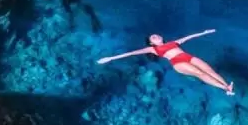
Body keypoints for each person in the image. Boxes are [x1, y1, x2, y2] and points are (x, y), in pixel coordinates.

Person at [97, 29, 234, 95]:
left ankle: (227, 87)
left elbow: (188, 37)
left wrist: (205, 32)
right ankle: (224, 89)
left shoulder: (173, 42)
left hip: (187, 56)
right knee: (200, 73)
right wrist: (110, 58)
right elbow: (132, 53)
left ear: (161, 37)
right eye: (152, 37)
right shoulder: (153, 49)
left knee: (210, 71)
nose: (154, 35)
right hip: (178, 63)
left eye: (155, 35)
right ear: (151, 42)